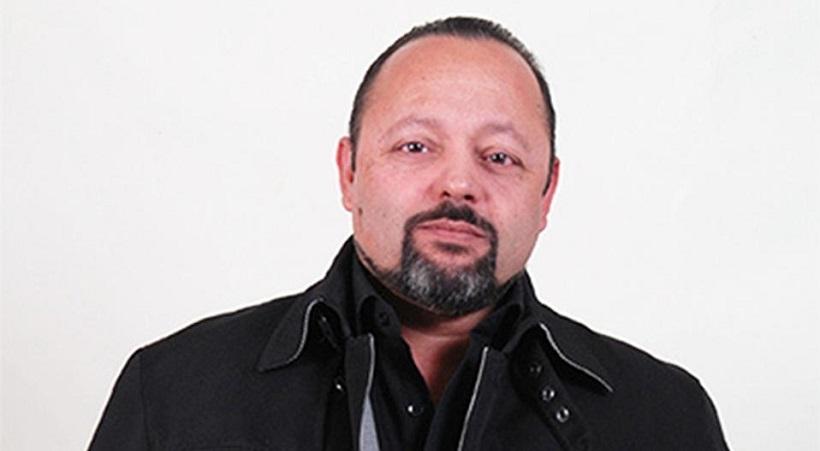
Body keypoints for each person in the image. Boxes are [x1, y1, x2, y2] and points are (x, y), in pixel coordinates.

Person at [89, 17, 729, 450]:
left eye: (500, 156)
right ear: (350, 172)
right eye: (416, 146)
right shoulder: (172, 393)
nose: (459, 184)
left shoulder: (665, 418)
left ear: (547, 193)